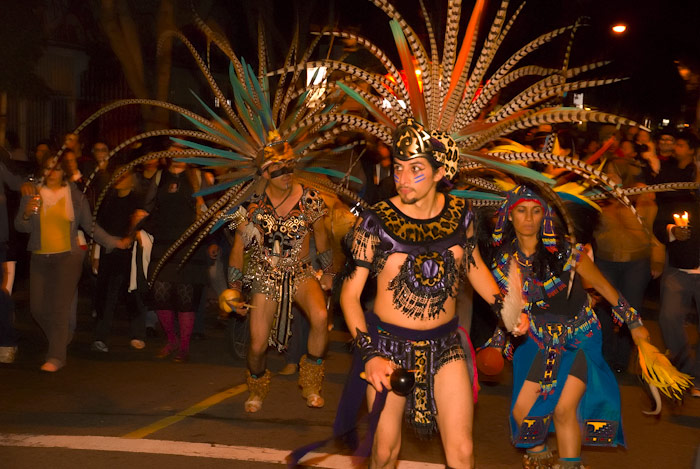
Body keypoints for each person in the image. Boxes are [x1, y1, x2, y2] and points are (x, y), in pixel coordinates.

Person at [337, 119, 527, 469]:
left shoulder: (460, 214)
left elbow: (474, 267)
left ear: (440, 172)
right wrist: (370, 355)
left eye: (416, 169)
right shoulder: (375, 221)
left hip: (445, 347)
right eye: (398, 168)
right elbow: (349, 296)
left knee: (463, 452)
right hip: (388, 347)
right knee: (385, 452)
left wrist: (507, 309)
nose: (403, 179)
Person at [488, 185, 650, 469]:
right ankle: (540, 458)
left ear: (545, 216)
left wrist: (634, 322)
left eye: (536, 211)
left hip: (579, 340)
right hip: (536, 341)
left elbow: (603, 286)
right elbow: (508, 308)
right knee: (522, 414)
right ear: (509, 216)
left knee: (564, 409)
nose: (529, 218)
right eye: (521, 211)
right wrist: (498, 342)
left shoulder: (567, 253)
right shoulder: (503, 262)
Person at [219, 135, 334, 413]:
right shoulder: (251, 205)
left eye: (290, 166)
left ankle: (311, 383)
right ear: (266, 173)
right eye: (279, 169)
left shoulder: (310, 198)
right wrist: (233, 288)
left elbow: (322, 236)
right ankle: (257, 387)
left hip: (301, 271)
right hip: (264, 275)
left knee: (320, 316)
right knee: (257, 346)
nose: (287, 174)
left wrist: (328, 271)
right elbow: (238, 248)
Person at [15, 153, 128, 371]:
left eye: (56, 168)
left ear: (64, 172)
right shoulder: (32, 194)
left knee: (59, 307)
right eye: (48, 168)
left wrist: (113, 242)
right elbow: (20, 226)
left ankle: (56, 356)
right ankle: (62, 337)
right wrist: (27, 214)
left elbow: (89, 226)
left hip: (69, 256)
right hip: (40, 255)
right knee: (37, 308)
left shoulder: (76, 197)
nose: (52, 172)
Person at [135, 144, 210, 363]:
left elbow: (212, 210)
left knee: (186, 296)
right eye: (173, 151)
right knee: (160, 294)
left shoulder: (198, 176)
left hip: (189, 244)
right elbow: (147, 207)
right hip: (163, 243)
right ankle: (171, 339)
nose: (178, 155)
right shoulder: (160, 177)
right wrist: (137, 221)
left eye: (182, 150)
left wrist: (211, 239)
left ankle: (184, 346)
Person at [652, 131, 700, 398]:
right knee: (669, 319)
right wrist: (673, 230)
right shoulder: (677, 185)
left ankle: (699, 378)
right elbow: (659, 224)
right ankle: (686, 369)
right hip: (680, 269)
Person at [91, 161, 147, 353]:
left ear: (132, 180)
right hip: (109, 252)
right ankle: (101, 337)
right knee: (105, 295)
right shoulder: (108, 199)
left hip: (129, 254)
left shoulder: (138, 200)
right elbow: (98, 229)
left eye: (124, 174)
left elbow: (141, 228)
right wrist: (96, 254)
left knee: (131, 293)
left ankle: (138, 333)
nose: (119, 178)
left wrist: (130, 234)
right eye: (117, 173)